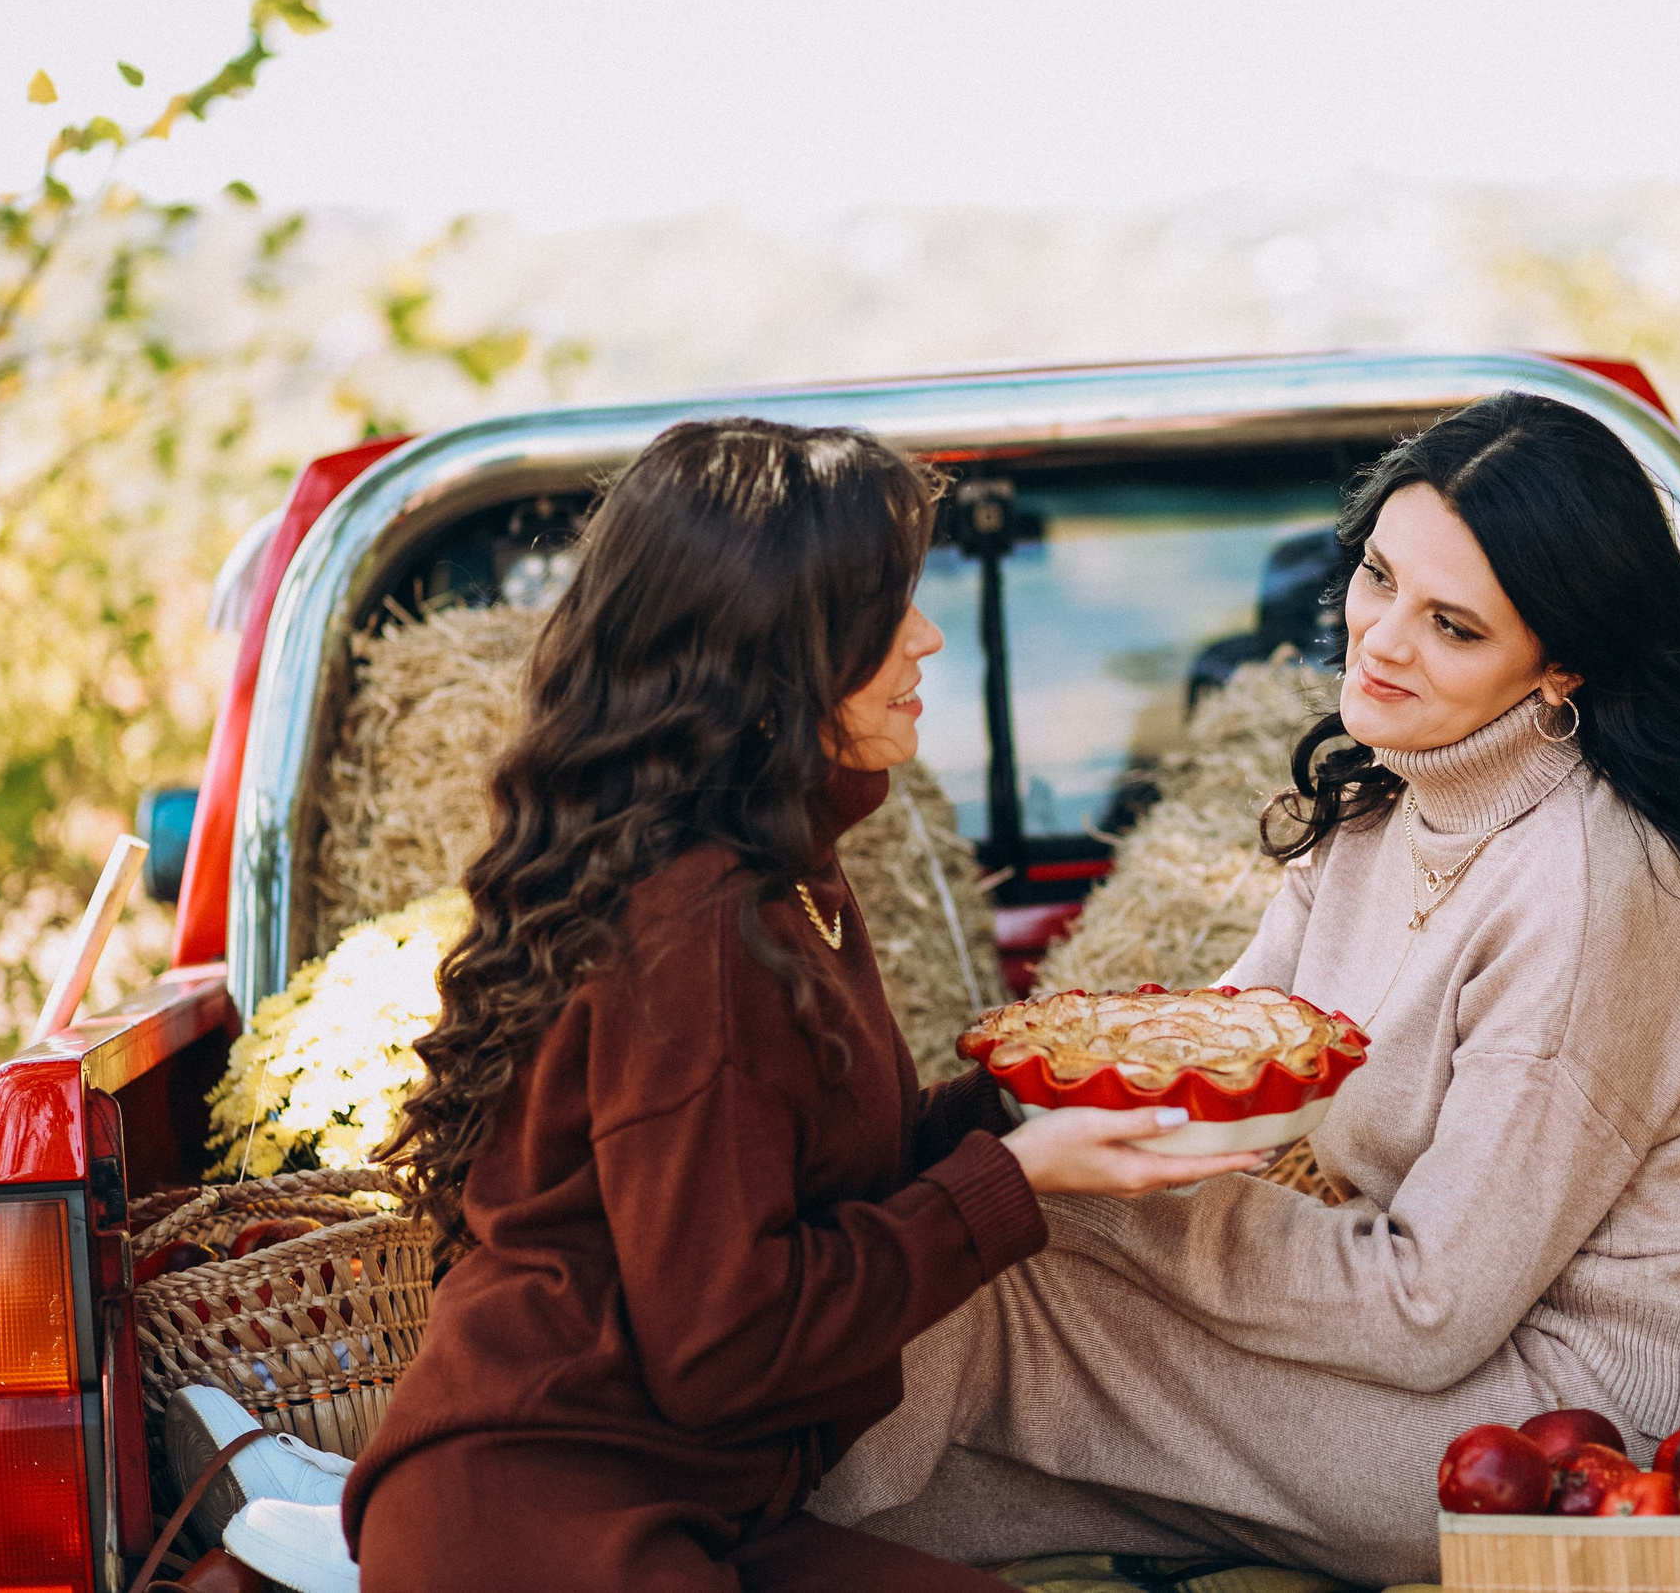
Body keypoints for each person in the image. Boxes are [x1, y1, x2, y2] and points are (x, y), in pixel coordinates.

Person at [813, 392, 1680, 1588]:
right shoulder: (1385, 808)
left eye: (1452, 626)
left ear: (1561, 666)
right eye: (1379, 577)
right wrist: (1026, 1141)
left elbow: (1428, 1306)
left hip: (1569, 1438)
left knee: (999, 1281)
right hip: (1430, 1360)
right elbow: (1203, 1071)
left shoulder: (1593, 890)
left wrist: (1078, 1199)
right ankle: (748, 1536)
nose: (1380, 640)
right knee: (970, 1273)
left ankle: (725, 1543)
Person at [339, 419, 1265, 1592]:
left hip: (680, 1501)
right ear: (772, 653)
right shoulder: (697, 932)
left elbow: (807, 1176)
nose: (927, 637)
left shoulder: (781, 877)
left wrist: (1038, 1093)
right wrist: (1015, 1181)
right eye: (887, 610)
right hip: (539, 1528)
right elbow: (723, 1345)